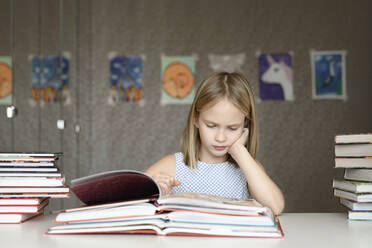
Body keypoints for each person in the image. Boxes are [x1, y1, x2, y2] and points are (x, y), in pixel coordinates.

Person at [145, 71, 285, 215]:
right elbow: (128, 202)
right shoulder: (172, 165)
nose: (220, 137)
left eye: (232, 128)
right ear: (196, 119)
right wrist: (155, 192)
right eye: (211, 126)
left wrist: (240, 151)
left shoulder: (248, 168)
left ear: (245, 125)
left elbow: (275, 207)